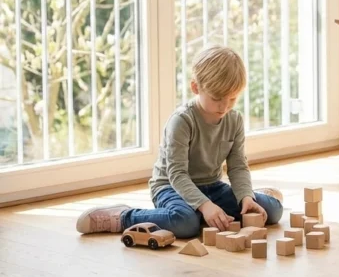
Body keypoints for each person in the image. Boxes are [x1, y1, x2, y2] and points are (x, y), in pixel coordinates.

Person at [76, 46, 284, 239]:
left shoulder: (235, 120)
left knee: (272, 211)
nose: (224, 107)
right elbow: (176, 174)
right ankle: (123, 217)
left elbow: (237, 166)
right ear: (196, 87)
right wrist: (205, 205)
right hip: (171, 186)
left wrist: (246, 196)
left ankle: (254, 196)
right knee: (186, 223)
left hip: (211, 186)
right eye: (216, 98)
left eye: (232, 99)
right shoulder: (182, 121)